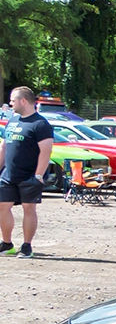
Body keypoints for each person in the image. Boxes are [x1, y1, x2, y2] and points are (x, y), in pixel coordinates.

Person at [0, 86, 54, 258]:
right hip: (9, 175)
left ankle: (26, 246)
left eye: (13, 100)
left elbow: (46, 151)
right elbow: (4, 146)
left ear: (23, 101)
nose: (10, 103)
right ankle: (7, 244)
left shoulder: (40, 124)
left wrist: (38, 175)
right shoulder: (13, 121)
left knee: (28, 208)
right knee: (2, 206)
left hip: (29, 175)